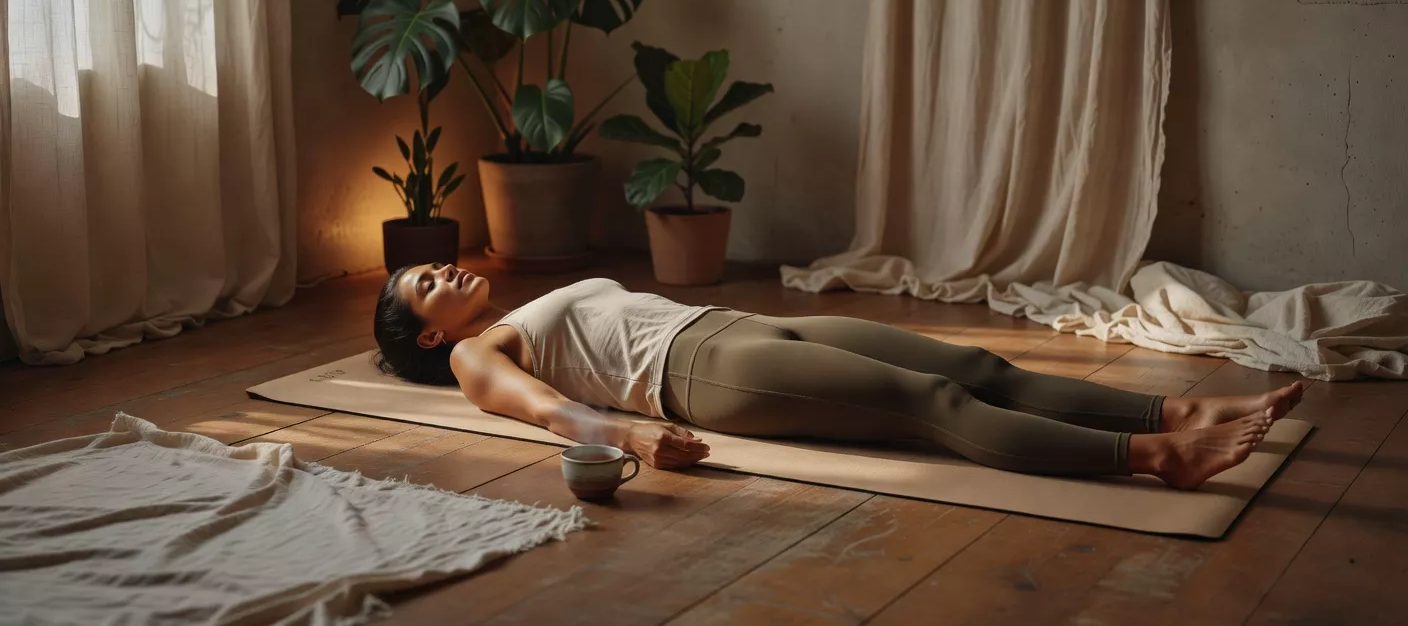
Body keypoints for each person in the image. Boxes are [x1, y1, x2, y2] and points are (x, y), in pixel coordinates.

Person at [373, 263, 1303, 489]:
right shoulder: (471, 357)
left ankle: (1176, 402)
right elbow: (545, 412)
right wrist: (628, 436)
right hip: (696, 371)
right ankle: (1150, 453)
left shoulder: (508, 314)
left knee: (971, 361)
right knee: (928, 403)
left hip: (734, 325)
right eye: (428, 285)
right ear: (426, 339)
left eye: (440, 266)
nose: (447, 271)